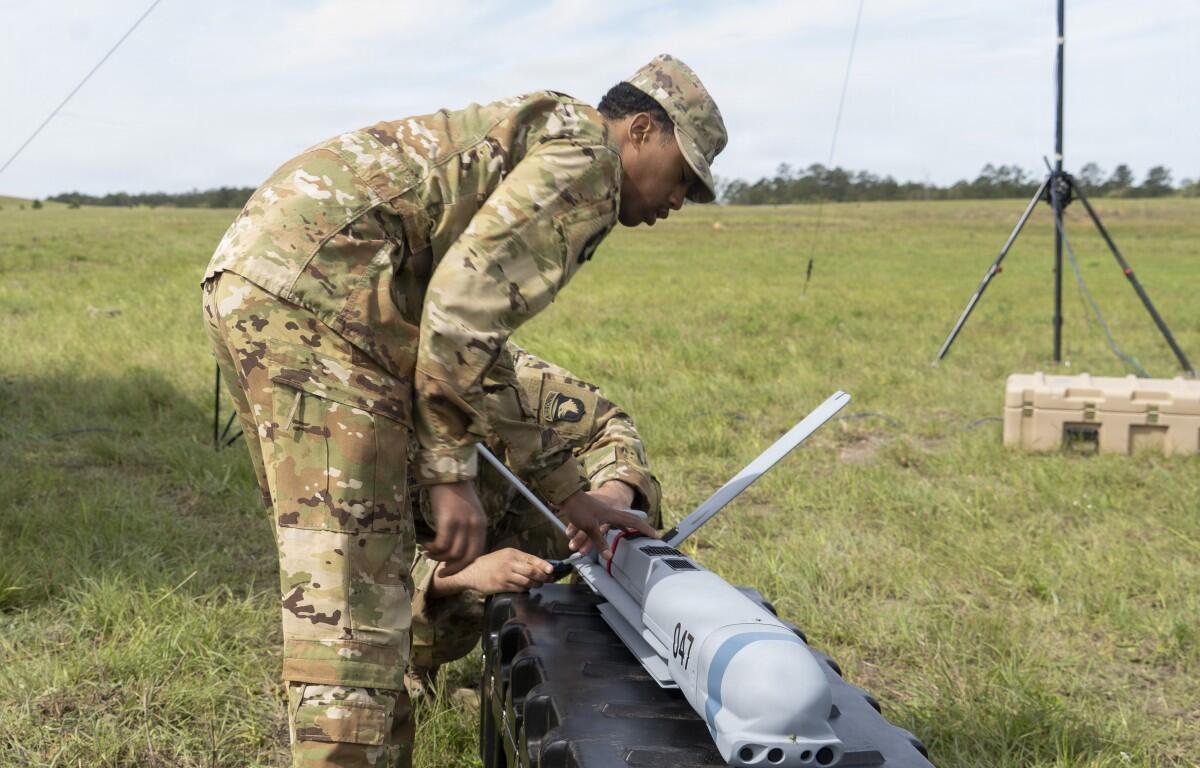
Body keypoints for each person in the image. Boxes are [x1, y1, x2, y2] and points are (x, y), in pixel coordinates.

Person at [202, 54, 725, 767]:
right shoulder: (586, 162)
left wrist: (571, 493)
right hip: (324, 301)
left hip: (290, 286)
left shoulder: (551, 140)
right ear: (639, 130)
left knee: (364, 579)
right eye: (685, 176)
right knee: (349, 612)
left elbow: (485, 356)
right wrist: (448, 469)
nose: (680, 201)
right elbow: (460, 309)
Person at [406, 343, 662, 694]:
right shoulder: (349, 411)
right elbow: (342, 567)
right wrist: (468, 574)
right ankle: (410, 671)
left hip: (494, 526)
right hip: (395, 574)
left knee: (622, 514)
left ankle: (594, 657)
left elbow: (609, 426)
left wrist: (611, 494)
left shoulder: (488, 370)